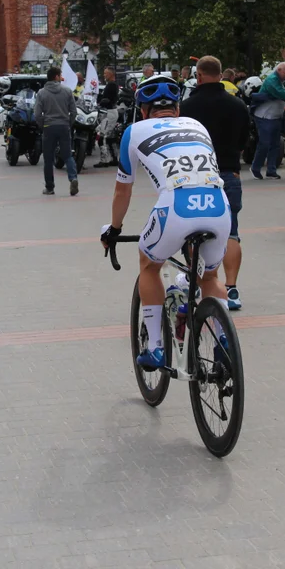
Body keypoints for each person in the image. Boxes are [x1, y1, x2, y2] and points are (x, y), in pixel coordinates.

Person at [100, 75, 232, 369]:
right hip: (218, 205)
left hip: (176, 207)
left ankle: (156, 348)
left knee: (149, 265)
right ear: (177, 109)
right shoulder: (197, 126)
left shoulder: (134, 131)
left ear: (143, 110)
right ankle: (225, 345)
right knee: (210, 277)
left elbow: (123, 189)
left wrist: (115, 228)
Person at [180, 56, 250, 311]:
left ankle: (199, 283)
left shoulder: (186, 107)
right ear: (221, 75)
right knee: (231, 232)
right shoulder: (237, 105)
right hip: (228, 173)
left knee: (192, 231)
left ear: (198, 76)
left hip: (195, 176)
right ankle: (231, 289)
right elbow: (245, 138)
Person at [251, 62, 285, 180]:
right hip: (264, 116)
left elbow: (283, 95)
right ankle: (256, 168)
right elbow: (281, 94)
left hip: (275, 116)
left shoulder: (281, 80)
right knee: (264, 143)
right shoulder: (272, 80)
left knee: (275, 144)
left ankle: (271, 170)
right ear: (279, 70)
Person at [35, 66, 78, 196]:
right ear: (56, 77)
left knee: (48, 159)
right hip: (64, 126)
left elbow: (37, 114)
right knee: (67, 155)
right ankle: (73, 178)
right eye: (60, 75)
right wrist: (68, 123)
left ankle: (50, 187)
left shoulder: (41, 93)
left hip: (49, 127)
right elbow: (74, 112)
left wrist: (43, 125)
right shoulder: (67, 91)